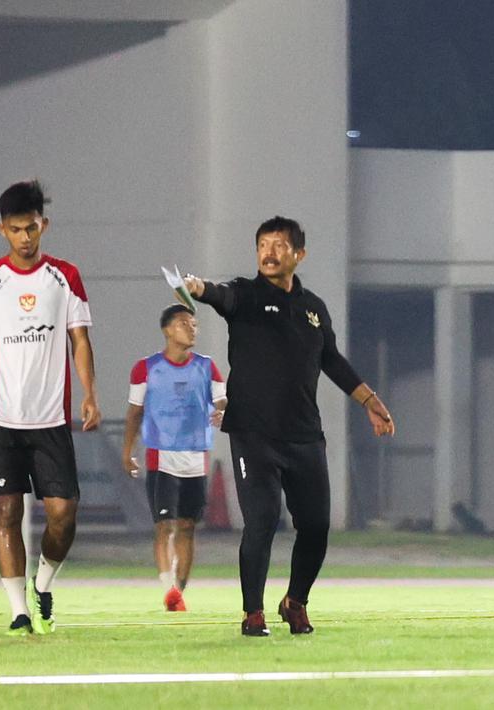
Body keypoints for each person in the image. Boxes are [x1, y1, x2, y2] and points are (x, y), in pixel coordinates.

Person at [184, 216, 395, 636]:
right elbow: (220, 295)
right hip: (252, 433)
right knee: (262, 520)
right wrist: (199, 288)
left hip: (304, 435)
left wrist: (370, 401)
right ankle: (252, 613)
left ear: (299, 254)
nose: (269, 251)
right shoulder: (245, 295)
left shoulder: (313, 308)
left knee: (316, 526)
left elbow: (331, 360)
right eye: (263, 243)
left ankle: (295, 601)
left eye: (280, 245)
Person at [0, 180, 100, 636]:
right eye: (16, 230)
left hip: (51, 418)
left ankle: (45, 580)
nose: (25, 238)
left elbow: (80, 341)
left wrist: (89, 392)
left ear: (44, 225)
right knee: (7, 513)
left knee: (62, 513)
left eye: (32, 228)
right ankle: (18, 612)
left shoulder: (65, 276)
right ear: (2, 231)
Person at [121, 304, 227, 612]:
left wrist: (222, 409)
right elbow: (134, 412)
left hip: (196, 456)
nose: (192, 328)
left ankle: (179, 590)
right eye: (184, 323)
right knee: (164, 525)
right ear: (167, 329)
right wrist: (128, 451)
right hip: (160, 454)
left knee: (187, 526)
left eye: (194, 324)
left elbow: (221, 398)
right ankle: (168, 589)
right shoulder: (146, 367)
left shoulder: (207, 367)